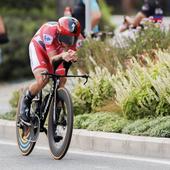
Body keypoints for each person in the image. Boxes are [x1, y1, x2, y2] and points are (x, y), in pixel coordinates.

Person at [20, 16, 81, 125]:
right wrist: (63, 55)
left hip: (57, 53)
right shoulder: (50, 32)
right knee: (43, 79)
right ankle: (26, 99)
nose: (68, 42)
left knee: (62, 81)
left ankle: (55, 120)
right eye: (66, 38)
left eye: (71, 39)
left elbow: (68, 60)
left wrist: (73, 58)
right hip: (39, 49)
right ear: (59, 33)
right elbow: (52, 60)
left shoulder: (75, 38)